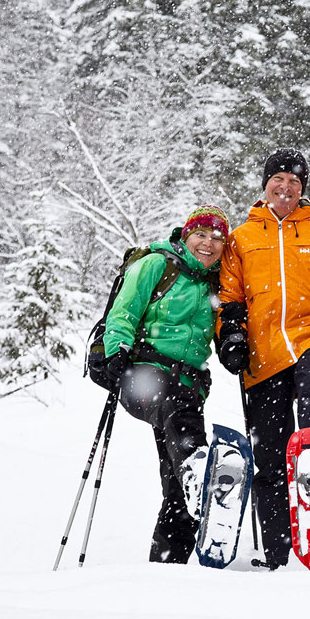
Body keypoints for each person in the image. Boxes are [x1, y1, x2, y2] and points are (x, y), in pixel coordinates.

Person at [216, 149, 310, 570]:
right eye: (278, 180)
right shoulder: (242, 238)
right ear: (265, 185)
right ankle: (278, 553)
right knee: (270, 455)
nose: (285, 188)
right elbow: (229, 298)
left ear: (303, 189)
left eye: (294, 182)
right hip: (262, 356)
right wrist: (230, 336)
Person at [103, 205, 229, 564]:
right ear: (185, 235)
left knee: (176, 487)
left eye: (218, 238)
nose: (208, 243)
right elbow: (125, 310)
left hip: (188, 383)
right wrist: (117, 349)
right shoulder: (158, 264)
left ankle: (167, 564)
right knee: (180, 418)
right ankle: (198, 470)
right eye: (201, 234)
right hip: (142, 371)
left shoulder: (217, 283)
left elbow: (224, 331)